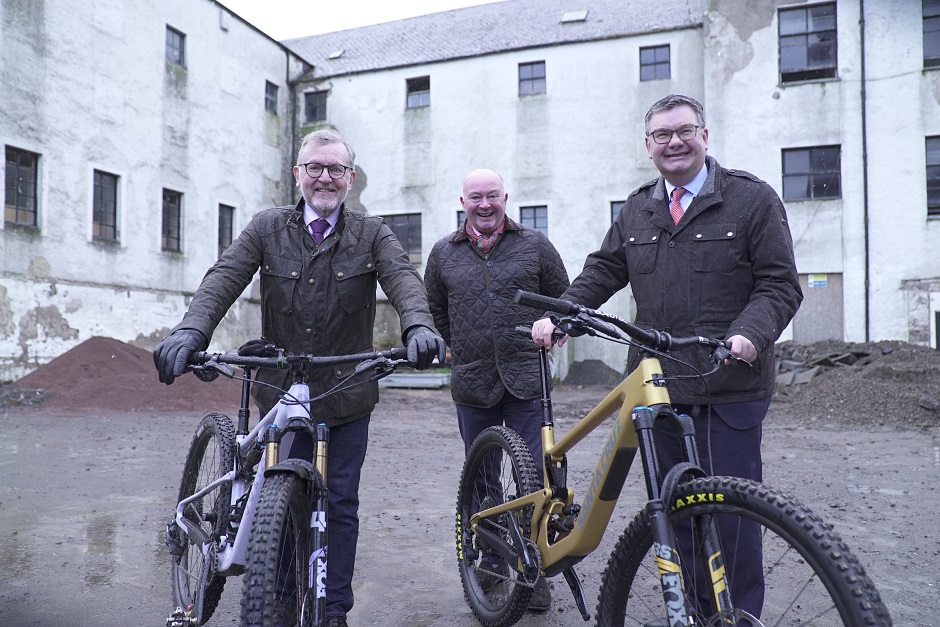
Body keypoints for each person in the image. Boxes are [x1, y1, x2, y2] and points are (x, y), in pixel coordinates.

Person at [153, 128, 445, 627]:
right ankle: (281, 596)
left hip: (345, 393)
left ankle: (333, 610)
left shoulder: (372, 234)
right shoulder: (268, 227)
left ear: (350, 179)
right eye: (315, 167)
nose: (324, 177)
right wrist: (189, 331)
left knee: (340, 506)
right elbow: (224, 277)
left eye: (335, 169)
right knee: (277, 498)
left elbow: (403, 281)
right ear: (298, 175)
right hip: (280, 389)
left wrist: (419, 326)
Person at [532, 94, 802, 622]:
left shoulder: (752, 200)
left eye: (684, 131)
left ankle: (738, 618)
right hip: (659, 390)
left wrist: (750, 334)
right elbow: (602, 271)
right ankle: (699, 615)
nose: (674, 142)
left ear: (705, 136)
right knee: (676, 515)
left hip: (730, 388)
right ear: (648, 145)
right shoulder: (638, 208)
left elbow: (779, 284)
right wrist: (563, 314)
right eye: (662, 135)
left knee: (733, 520)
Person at [424, 168, 570, 612]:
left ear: (505, 197)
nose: (484, 204)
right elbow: (435, 310)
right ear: (462, 201)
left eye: (492, 196)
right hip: (472, 381)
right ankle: (491, 562)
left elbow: (562, 293)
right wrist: (453, 345)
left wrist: (558, 324)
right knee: (484, 477)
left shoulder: (534, 245)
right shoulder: (443, 254)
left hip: (526, 378)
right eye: (475, 197)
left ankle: (536, 569)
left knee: (535, 477)